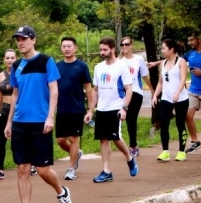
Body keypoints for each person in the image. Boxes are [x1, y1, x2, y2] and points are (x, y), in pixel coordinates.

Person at [3, 25, 73, 203]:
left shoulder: (46, 61)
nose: (20, 43)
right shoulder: (17, 65)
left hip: (40, 122)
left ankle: (61, 191)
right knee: (22, 168)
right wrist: (9, 121)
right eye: (18, 40)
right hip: (20, 123)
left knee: (42, 170)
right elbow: (15, 94)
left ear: (33, 40)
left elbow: (54, 91)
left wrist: (50, 117)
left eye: (24, 39)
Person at [85, 37, 139, 182]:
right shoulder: (98, 67)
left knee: (115, 137)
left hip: (116, 107)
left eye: (105, 49)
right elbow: (95, 90)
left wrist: (124, 108)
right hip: (101, 109)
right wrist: (90, 110)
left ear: (113, 49)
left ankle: (129, 158)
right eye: (100, 50)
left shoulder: (121, 66)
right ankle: (106, 171)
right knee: (103, 139)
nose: (102, 52)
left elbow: (129, 89)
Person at [55, 37, 93, 180]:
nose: (66, 49)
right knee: (60, 140)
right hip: (61, 108)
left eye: (69, 46)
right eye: (64, 46)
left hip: (76, 108)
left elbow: (88, 88)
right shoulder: (57, 66)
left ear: (75, 48)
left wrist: (90, 109)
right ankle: (76, 154)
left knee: (73, 138)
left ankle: (71, 169)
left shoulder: (81, 66)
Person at [151, 38, 189, 162]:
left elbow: (183, 79)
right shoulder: (163, 63)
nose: (162, 51)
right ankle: (165, 151)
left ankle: (182, 152)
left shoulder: (181, 62)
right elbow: (160, 82)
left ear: (171, 49)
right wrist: (155, 95)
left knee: (180, 124)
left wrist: (177, 93)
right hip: (166, 98)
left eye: (164, 48)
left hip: (180, 98)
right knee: (164, 122)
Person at [118, 36, 151, 157]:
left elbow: (144, 76)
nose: (124, 46)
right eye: (122, 45)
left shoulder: (138, 59)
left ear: (131, 45)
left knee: (132, 118)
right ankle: (128, 144)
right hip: (123, 93)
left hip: (136, 92)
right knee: (124, 119)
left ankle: (133, 146)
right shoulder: (119, 61)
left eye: (127, 44)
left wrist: (152, 90)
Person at [0, 49, 16, 180]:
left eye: (12, 58)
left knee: (19, 140)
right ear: (4, 60)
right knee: (1, 140)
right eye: (8, 58)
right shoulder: (0, 76)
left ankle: (28, 164)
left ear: (16, 59)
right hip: (4, 109)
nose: (10, 60)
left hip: (18, 111)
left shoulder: (20, 74)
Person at [184, 32, 201, 155]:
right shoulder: (190, 54)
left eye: (192, 40)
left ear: (199, 39)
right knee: (187, 115)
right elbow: (174, 60)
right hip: (193, 90)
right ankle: (195, 141)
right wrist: (157, 63)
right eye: (188, 40)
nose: (190, 43)